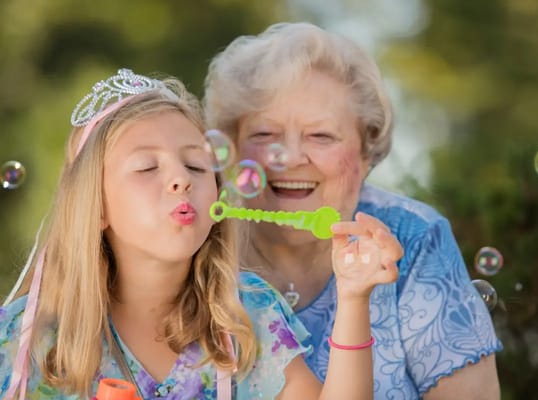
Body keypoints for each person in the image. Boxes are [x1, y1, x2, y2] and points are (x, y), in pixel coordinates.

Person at [0, 68, 401, 399]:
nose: (180, 179)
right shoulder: (26, 338)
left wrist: (353, 298)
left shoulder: (246, 316)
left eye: (195, 166)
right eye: (146, 168)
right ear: (97, 207)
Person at [203, 22, 503, 399]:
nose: (292, 158)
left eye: (321, 136)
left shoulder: (413, 239)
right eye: (265, 135)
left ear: (366, 153)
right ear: (230, 148)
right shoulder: (198, 242)